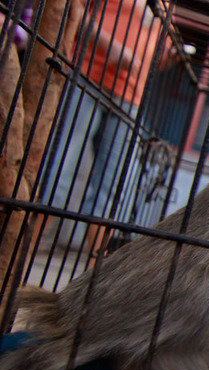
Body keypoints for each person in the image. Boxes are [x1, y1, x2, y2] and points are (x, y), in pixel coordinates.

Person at [40, 0, 163, 255]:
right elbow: (75, 9)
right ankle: (24, 250)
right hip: (89, 76)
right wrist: (110, 46)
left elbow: (157, 54)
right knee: (60, 166)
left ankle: (95, 269)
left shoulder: (164, 7)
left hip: (131, 96)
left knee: (111, 186)